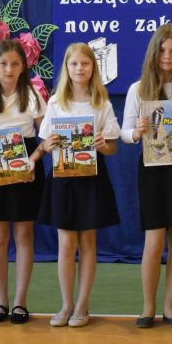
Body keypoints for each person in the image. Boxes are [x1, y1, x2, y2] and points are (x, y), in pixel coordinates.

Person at [120, 24, 172, 329]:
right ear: (153, 52)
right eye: (162, 50)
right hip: (153, 171)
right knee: (154, 241)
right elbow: (124, 133)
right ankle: (148, 307)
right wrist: (137, 132)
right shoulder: (138, 89)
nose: (167, 56)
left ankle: (170, 307)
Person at [38, 43, 120, 328]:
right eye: (74, 64)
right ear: (67, 67)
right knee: (65, 243)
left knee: (87, 243)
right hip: (63, 179)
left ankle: (82, 305)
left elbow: (112, 147)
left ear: (93, 67)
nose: (79, 68)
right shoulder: (55, 102)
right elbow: (44, 143)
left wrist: (102, 144)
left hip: (92, 178)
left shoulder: (101, 102)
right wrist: (48, 145)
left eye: (85, 63)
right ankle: (66, 304)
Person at [0, 39, 47, 324]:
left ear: (23, 66)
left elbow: (45, 136)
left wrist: (34, 159)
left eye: (15, 64)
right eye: (3, 63)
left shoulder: (33, 96)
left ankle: (19, 302)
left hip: (25, 166)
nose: (9, 69)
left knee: (24, 234)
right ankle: (1, 301)